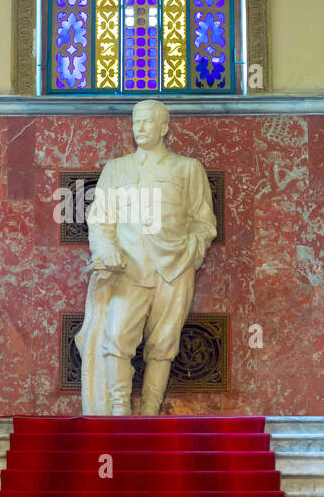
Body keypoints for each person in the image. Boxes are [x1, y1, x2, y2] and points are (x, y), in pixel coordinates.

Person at [75, 99, 217, 416]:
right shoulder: (116, 169)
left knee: (164, 344)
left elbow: (203, 222)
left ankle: (150, 411)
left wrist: (191, 251)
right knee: (116, 338)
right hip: (127, 269)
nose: (139, 127)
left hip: (174, 267)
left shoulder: (187, 168)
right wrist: (105, 249)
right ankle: (118, 410)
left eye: (147, 122)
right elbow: (100, 220)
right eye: (136, 121)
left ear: (164, 128)